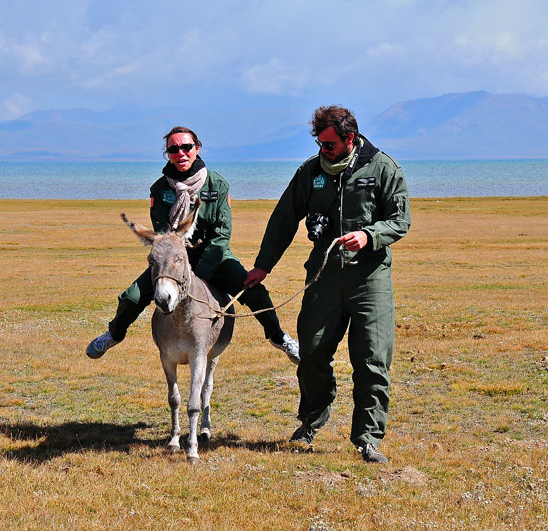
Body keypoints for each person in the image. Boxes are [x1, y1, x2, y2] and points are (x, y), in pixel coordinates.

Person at [244, 106, 411, 463]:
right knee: (312, 353)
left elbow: (400, 220)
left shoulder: (383, 168)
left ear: (350, 138)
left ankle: (368, 439)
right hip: (323, 279)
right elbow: (284, 219)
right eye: (319, 143)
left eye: (329, 144)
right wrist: (263, 266)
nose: (323, 150)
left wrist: (369, 235)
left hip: (370, 280)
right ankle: (310, 422)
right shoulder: (310, 172)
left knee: (372, 360)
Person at [86, 126, 299, 364]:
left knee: (256, 291)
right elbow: (163, 234)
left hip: (214, 257)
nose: (181, 153)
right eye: (173, 149)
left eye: (186, 147)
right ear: (168, 154)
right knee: (131, 298)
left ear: (197, 148)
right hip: (173, 259)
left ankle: (279, 337)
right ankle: (114, 334)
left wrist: (203, 274)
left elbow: (221, 234)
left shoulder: (217, 185)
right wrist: (175, 262)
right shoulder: (159, 189)